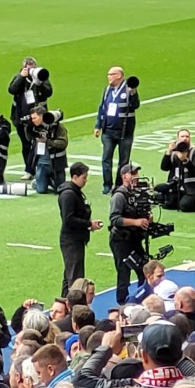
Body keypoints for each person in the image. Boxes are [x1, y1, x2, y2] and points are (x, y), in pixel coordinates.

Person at [109, 163, 152, 305]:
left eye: (136, 173)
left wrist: (146, 219)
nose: (136, 177)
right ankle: (122, 304)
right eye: (132, 174)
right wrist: (136, 222)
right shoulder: (119, 196)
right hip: (121, 240)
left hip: (134, 238)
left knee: (144, 269)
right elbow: (115, 219)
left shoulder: (137, 193)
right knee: (124, 274)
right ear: (124, 176)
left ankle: (143, 299)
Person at [58, 162, 103, 295]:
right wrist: (89, 224)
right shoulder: (69, 194)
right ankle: (74, 303)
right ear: (75, 177)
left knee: (70, 275)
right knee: (75, 278)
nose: (86, 180)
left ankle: (65, 301)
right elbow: (69, 219)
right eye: (84, 177)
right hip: (71, 240)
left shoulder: (73, 192)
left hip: (74, 238)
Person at [94, 66, 141, 195]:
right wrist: (98, 125)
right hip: (108, 131)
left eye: (111, 74)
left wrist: (133, 93)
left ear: (119, 75)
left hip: (125, 132)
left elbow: (135, 105)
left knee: (123, 161)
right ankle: (107, 184)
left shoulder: (129, 89)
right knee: (106, 158)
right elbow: (102, 108)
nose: (108, 77)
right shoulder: (107, 90)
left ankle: (119, 185)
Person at [7, 58, 53, 174]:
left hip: (39, 118)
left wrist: (39, 82)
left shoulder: (41, 76)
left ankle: (41, 168)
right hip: (21, 117)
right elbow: (12, 90)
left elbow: (49, 92)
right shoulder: (20, 77)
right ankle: (29, 169)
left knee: (40, 143)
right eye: (28, 68)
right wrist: (21, 77)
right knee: (26, 144)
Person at [27, 105, 69, 194]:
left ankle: (50, 181)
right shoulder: (34, 127)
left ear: (41, 116)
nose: (32, 120)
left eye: (34, 118)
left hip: (57, 163)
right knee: (41, 190)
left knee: (59, 190)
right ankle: (42, 181)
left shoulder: (58, 127)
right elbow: (28, 138)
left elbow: (63, 143)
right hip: (42, 163)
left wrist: (48, 142)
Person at [158, 137, 195, 213]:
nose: (185, 138)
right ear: (177, 138)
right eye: (182, 136)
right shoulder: (173, 153)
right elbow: (164, 168)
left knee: (185, 206)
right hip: (176, 187)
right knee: (167, 203)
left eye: (187, 136)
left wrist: (185, 160)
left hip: (191, 190)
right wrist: (168, 152)